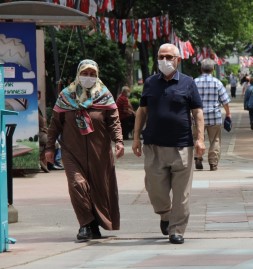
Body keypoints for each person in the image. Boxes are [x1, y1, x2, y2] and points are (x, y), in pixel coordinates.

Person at [132, 43, 205, 244]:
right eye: (161, 56)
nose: (165, 60)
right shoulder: (150, 83)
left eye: (169, 57)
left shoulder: (188, 83)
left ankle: (177, 229)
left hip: (182, 145)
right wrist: (136, 136)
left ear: (178, 60)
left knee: (182, 193)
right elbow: (142, 111)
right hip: (153, 145)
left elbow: (197, 112)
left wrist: (200, 139)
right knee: (155, 189)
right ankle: (165, 213)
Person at [45, 59, 124, 241]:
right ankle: (85, 224)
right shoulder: (65, 96)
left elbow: (114, 121)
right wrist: (49, 148)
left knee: (99, 189)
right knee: (77, 184)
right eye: (85, 73)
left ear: (97, 76)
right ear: (78, 74)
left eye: (92, 74)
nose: (88, 77)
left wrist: (118, 141)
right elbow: (55, 125)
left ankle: (94, 224)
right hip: (72, 151)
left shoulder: (105, 96)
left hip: (100, 153)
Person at [193, 58, 231, 171]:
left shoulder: (194, 82)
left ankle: (198, 158)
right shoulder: (217, 82)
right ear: (213, 69)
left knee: (197, 138)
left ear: (201, 69)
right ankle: (213, 163)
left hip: (197, 117)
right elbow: (225, 100)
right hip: (214, 117)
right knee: (215, 140)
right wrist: (228, 114)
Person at [38, 90, 49, 173]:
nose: (38, 97)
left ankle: (41, 158)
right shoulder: (34, 107)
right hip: (38, 133)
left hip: (42, 132)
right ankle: (40, 158)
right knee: (51, 141)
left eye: (39, 95)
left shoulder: (38, 107)